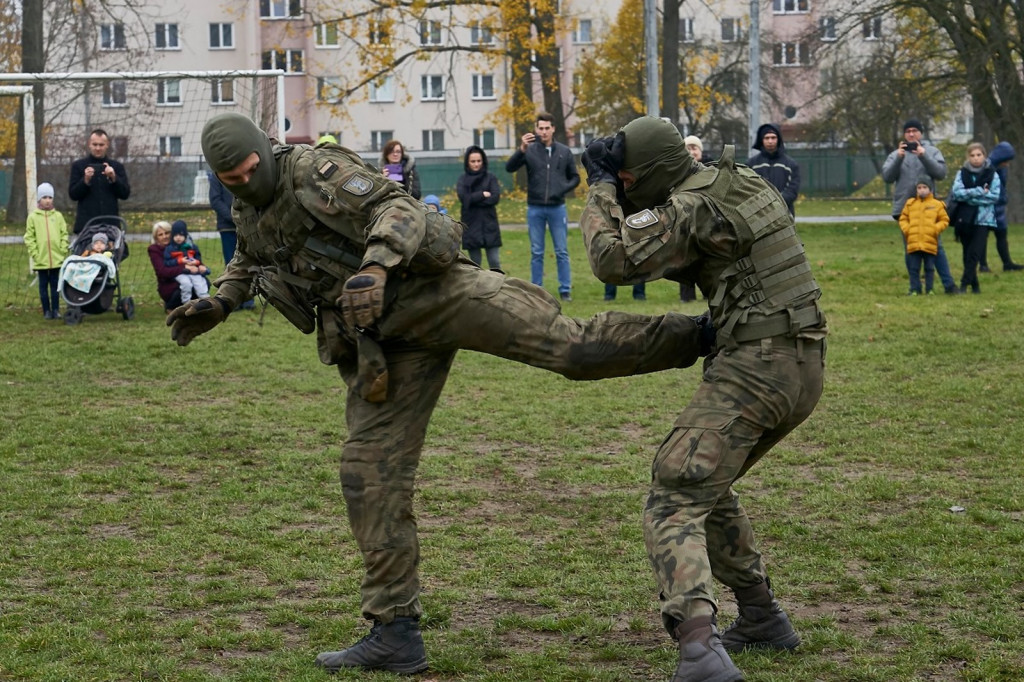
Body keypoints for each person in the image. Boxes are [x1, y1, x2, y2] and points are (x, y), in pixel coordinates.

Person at [174, 112, 716, 676]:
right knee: (369, 475)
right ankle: (394, 631)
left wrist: (376, 264)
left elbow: (399, 208)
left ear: (263, 151)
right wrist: (220, 302)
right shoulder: (248, 209)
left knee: (570, 349)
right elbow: (252, 259)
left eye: (248, 171)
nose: (242, 182)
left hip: (437, 292)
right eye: (229, 178)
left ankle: (701, 333)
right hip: (384, 342)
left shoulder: (317, 169)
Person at [579, 116, 827, 682]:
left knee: (675, 493)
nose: (623, 184)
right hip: (802, 362)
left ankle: (699, 650)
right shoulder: (739, 183)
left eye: (627, 176)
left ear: (651, 174)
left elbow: (612, 262)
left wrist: (599, 188)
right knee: (707, 484)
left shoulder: (689, 207)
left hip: (759, 366)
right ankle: (761, 614)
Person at [505, 112, 581, 301]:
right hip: (535, 208)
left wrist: (562, 188)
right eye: (541, 128)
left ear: (553, 129)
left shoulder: (564, 151)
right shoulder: (529, 150)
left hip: (557, 208)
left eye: (547, 128)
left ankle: (565, 290)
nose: (544, 132)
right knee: (537, 251)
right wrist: (521, 149)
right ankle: (536, 290)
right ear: (536, 129)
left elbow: (575, 177)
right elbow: (510, 167)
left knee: (561, 251)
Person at [882, 119, 959, 294]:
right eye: (907, 131)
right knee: (911, 248)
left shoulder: (931, 151)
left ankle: (949, 285)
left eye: (915, 130)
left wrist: (924, 156)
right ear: (904, 134)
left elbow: (940, 174)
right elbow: (887, 177)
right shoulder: (896, 154)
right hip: (905, 209)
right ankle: (915, 287)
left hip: (929, 209)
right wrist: (899, 159)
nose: (911, 134)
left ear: (921, 133)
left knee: (936, 247)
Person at [950, 142, 1000, 294]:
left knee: (975, 252)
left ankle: (964, 284)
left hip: (983, 219)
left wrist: (970, 196)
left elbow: (994, 196)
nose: (976, 158)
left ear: (984, 156)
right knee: (967, 251)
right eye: (972, 155)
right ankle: (975, 286)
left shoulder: (992, 174)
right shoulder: (962, 173)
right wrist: (979, 191)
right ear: (968, 157)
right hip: (964, 218)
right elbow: (957, 193)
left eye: (979, 155)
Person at [67, 128, 131, 234]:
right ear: (89, 144)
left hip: (110, 225)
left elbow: (125, 194)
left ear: (107, 145)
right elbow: (73, 195)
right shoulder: (78, 166)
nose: (98, 148)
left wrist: (114, 178)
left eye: (101, 145)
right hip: (86, 226)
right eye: (95, 144)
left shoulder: (116, 167)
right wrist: (85, 180)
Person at [209, 171, 255, 309]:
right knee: (231, 262)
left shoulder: (245, 170)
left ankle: (248, 300)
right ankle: (232, 300)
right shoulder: (216, 176)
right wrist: (233, 217)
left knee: (248, 261)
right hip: (227, 228)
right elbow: (215, 200)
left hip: (246, 225)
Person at [24, 182, 69, 319]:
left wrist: (62, 250)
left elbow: (64, 234)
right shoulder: (33, 217)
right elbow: (29, 237)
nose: (47, 200)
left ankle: (56, 310)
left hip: (56, 259)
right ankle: (46, 311)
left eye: (50, 197)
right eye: (44, 197)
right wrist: (35, 254)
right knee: (43, 286)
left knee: (55, 286)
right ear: (39, 199)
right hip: (41, 260)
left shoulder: (58, 216)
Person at [899, 176, 949, 295]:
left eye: (924, 187)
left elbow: (944, 220)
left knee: (929, 268)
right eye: (919, 188)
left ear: (930, 190)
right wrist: (908, 229)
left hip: (929, 242)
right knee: (914, 268)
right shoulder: (910, 204)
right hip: (914, 242)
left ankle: (929, 288)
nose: (922, 190)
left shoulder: (937, 205)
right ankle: (915, 288)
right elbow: (903, 218)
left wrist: (935, 229)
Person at [456, 145, 503, 271]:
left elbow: (495, 197)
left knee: (495, 262)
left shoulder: (491, 177)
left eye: (479, 161)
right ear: (467, 162)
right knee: (474, 265)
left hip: (489, 225)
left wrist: (473, 199)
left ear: (483, 161)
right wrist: (482, 194)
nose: (476, 164)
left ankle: (499, 288)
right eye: (473, 161)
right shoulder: (463, 179)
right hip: (471, 225)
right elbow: (463, 199)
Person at [979, 141, 1023, 272]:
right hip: (987, 206)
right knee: (983, 236)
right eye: (1006, 161)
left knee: (1002, 235)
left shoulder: (1002, 168)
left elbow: (1002, 186)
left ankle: (1007, 263)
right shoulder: (987, 168)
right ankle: (983, 265)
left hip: (999, 205)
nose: (1007, 164)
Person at [746, 123, 800, 216]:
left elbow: (792, 191)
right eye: (766, 138)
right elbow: (747, 188)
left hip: (784, 214)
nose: (770, 141)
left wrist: (775, 202)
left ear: (778, 139)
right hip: (758, 215)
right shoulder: (751, 164)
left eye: (773, 137)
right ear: (761, 140)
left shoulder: (791, 165)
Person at [148, 221, 192, 311]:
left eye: (167, 233)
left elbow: (194, 258)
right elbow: (162, 271)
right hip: (169, 284)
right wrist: (184, 268)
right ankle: (171, 306)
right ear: (156, 238)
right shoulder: (154, 250)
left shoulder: (182, 245)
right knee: (183, 287)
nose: (164, 236)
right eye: (160, 235)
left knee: (203, 283)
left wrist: (200, 267)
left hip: (188, 277)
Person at [164, 220, 210, 303]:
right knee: (186, 284)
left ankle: (205, 301)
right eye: (176, 235)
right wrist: (179, 261)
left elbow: (198, 258)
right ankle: (186, 303)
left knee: (200, 282)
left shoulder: (192, 246)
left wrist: (196, 262)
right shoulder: (170, 248)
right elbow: (167, 262)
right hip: (180, 273)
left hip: (193, 271)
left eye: (181, 235)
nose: (178, 237)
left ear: (185, 235)